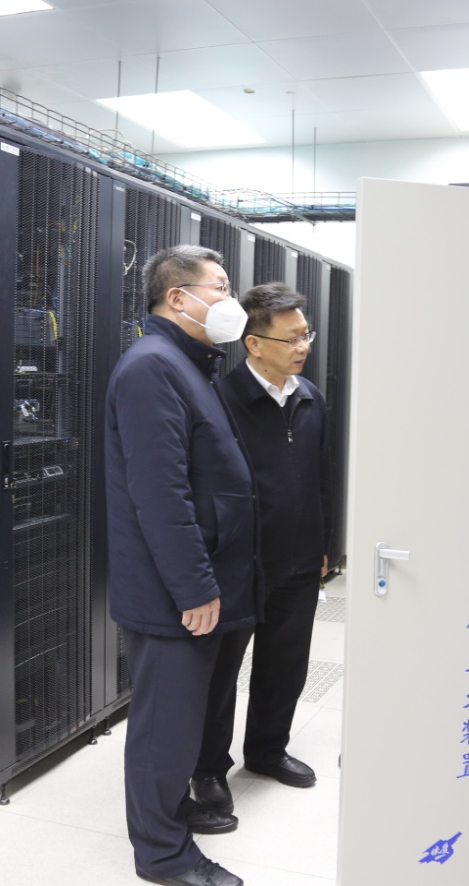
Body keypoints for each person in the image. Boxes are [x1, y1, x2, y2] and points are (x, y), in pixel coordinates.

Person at [106, 245, 257, 886]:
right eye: (219, 287)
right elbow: (160, 494)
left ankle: (170, 810)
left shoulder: (186, 364)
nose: (230, 300)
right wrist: (194, 587)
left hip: (199, 578)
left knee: (183, 717)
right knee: (162, 726)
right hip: (171, 590)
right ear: (178, 297)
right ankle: (163, 855)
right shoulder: (152, 367)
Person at [191, 282, 332, 816]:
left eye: (306, 335)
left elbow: (322, 477)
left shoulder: (309, 397)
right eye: (291, 338)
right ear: (253, 343)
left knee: (286, 663)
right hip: (239, 564)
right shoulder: (221, 402)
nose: (303, 346)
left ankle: (268, 750)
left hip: (299, 559)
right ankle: (208, 768)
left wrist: (323, 544)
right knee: (221, 673)